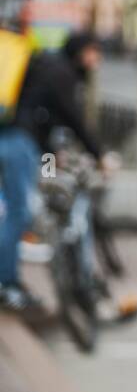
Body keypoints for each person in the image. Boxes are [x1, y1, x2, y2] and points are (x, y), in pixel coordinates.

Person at [0, 32, 107, 311]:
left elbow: (44, 119)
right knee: (19, 212)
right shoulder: (62, 73)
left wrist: (50, 159)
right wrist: (99, 155)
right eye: (94, 51)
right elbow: (74, 119)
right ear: (80, 51)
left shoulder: (47, 68)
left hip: (16, 140)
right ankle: (6, 283)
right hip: (16, 143)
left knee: (17, 206)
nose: (97, 60)